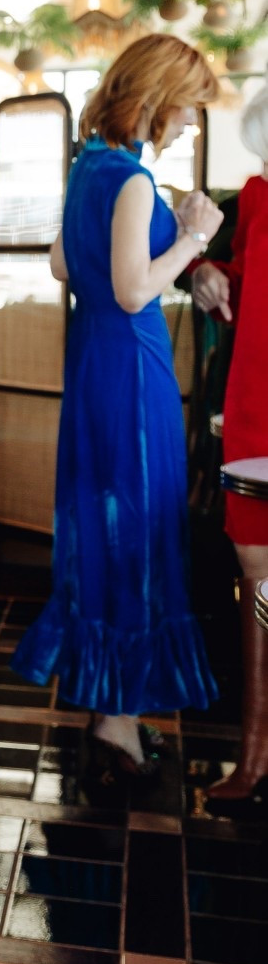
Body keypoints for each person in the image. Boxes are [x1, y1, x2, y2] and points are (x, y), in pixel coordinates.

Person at [14, 34, 221, 772]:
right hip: (133, 371)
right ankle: (117, 724)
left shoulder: (88, 169)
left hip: (94, 362)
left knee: (103, 527)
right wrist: (192, 239)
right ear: (159, 101)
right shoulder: (132, 180)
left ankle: (112, 708)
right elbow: (136, 289)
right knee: (138, 529)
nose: (191, 124)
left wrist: (178, 264)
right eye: (189, 110)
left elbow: (64, 264)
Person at [190, 88, 268, 806]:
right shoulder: (257, 193)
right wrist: (205, 272)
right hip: (257, 411)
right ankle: (253, 754)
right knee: (258, 587)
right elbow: (244, 284)